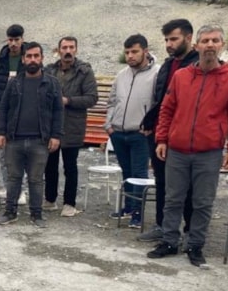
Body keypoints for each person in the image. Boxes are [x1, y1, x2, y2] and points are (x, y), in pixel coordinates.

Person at [148, 24, 228, 267]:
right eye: (205, 41)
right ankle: (170, 240)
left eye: (215, 41)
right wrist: (162, 139)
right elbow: (167, 110)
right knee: (173, 198)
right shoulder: (182, 77)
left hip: (208, 152)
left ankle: (195, 245)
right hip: (177, 150)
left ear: (222, 45)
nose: (210, 45)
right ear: (196, 46)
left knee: (202, 201)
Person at [137, 19, 199, 242]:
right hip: (161, 134)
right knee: (162, 181)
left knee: (188, 187)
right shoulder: (167, 65)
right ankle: (162, 227)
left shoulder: (198, 66)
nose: (169, 44)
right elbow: (161, 100)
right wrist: (149, 124)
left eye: (174, 39)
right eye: (166, 40)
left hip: (186, 136)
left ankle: (190, 231)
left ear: (189, 38)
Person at [0, 42, 63, 228]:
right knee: (13, 177)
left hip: (39, 140)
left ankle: (37, 214)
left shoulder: (52, 83)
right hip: (14, 139)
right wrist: (1, 132)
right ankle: (10, 212)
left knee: (36, 178)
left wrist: (56, 135)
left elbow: (58, 111)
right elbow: (4, 109)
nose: (32, 59)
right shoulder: (14, 83)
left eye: (36, 56)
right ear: (23, 59)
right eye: (29, 56)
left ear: (41, 58)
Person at [104, 34, 159, 229]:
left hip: (140, 134)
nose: (130, 56)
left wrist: (150, 127)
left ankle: (138, 213)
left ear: (145, 50)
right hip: (118, 132)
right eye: (127, 52)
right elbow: (112, 101)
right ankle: (128, 208)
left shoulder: (156, 74)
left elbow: (158, 104)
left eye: (134, 51)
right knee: (126, 172)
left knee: (140, 173)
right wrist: (109, 125)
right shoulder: (121, 75)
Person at [43, 36, 98, 217]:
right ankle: (50, 199)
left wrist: (69, 100)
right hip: (51, 126)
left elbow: (92, 98)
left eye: (71, 47)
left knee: (70, 166)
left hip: (73, 124)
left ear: (76, 49)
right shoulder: (49, 70)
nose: (68, 51)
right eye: (64, 47)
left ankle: (69, 203)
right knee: (49, 165)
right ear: (58, 50)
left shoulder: (84, 71)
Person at [0, 24, 27, 205]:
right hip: (2, 110)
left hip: (24, 109)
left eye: (16, 40)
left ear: (22, 39)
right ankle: (8, 187)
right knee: (4, 150)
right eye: (10, 40)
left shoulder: (29, 58)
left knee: (23, 149)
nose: (13, 43)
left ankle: (23, 189)